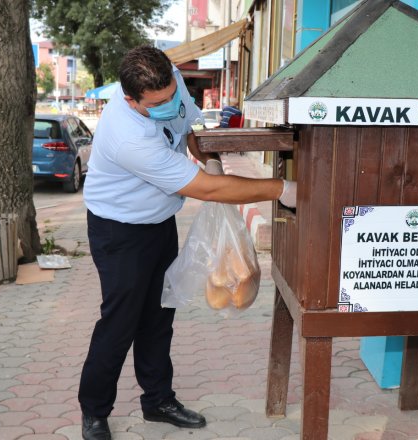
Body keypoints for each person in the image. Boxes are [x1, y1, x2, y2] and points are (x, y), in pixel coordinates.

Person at [79, 45, 296, 440]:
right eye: (157, 103)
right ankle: (94, 412)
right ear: (130, 99)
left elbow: (188, 128)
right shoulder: (128, 137)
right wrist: (280, 187)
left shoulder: (170, 80)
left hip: (159, 221)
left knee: (160, 315)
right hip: (119, 231)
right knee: (120, 323)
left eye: (170, 95)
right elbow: (208, 190)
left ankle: (158, 400)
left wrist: (207, 154)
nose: (168, 103)